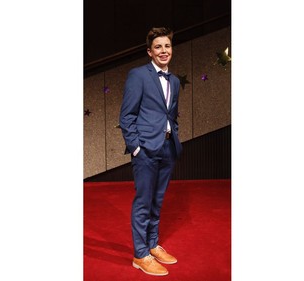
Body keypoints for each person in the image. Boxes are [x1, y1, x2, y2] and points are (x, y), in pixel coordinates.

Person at [119, 27, 183, 276]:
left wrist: (173, 134)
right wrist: (135, 147)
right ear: (150, 51)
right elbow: (127, 115)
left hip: (167, 147)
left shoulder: (175, 81)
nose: (163, 51)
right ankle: (140, 254)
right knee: (144, 201)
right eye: (158, 47)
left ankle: (153, 244)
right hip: (145, 149)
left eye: (167, 46)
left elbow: (172, 115)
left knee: (158, 200)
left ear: (171, 49)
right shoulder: (138, 75)